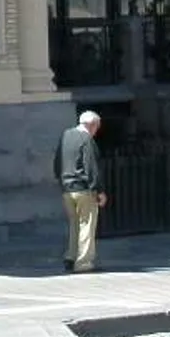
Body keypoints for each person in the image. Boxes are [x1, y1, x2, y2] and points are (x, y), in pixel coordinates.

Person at [56, 108, 106, 273]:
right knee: (87, 225)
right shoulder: (86, 140)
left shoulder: (66, 136)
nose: (97, 131)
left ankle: (70, 256)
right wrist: (99, 191)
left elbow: (57, 162)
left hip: (67, 188)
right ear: (92, 125)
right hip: (83, 189)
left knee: (74, 224)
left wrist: (62, 180)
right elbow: (91, 167)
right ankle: (83, 262)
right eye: (97, 127)